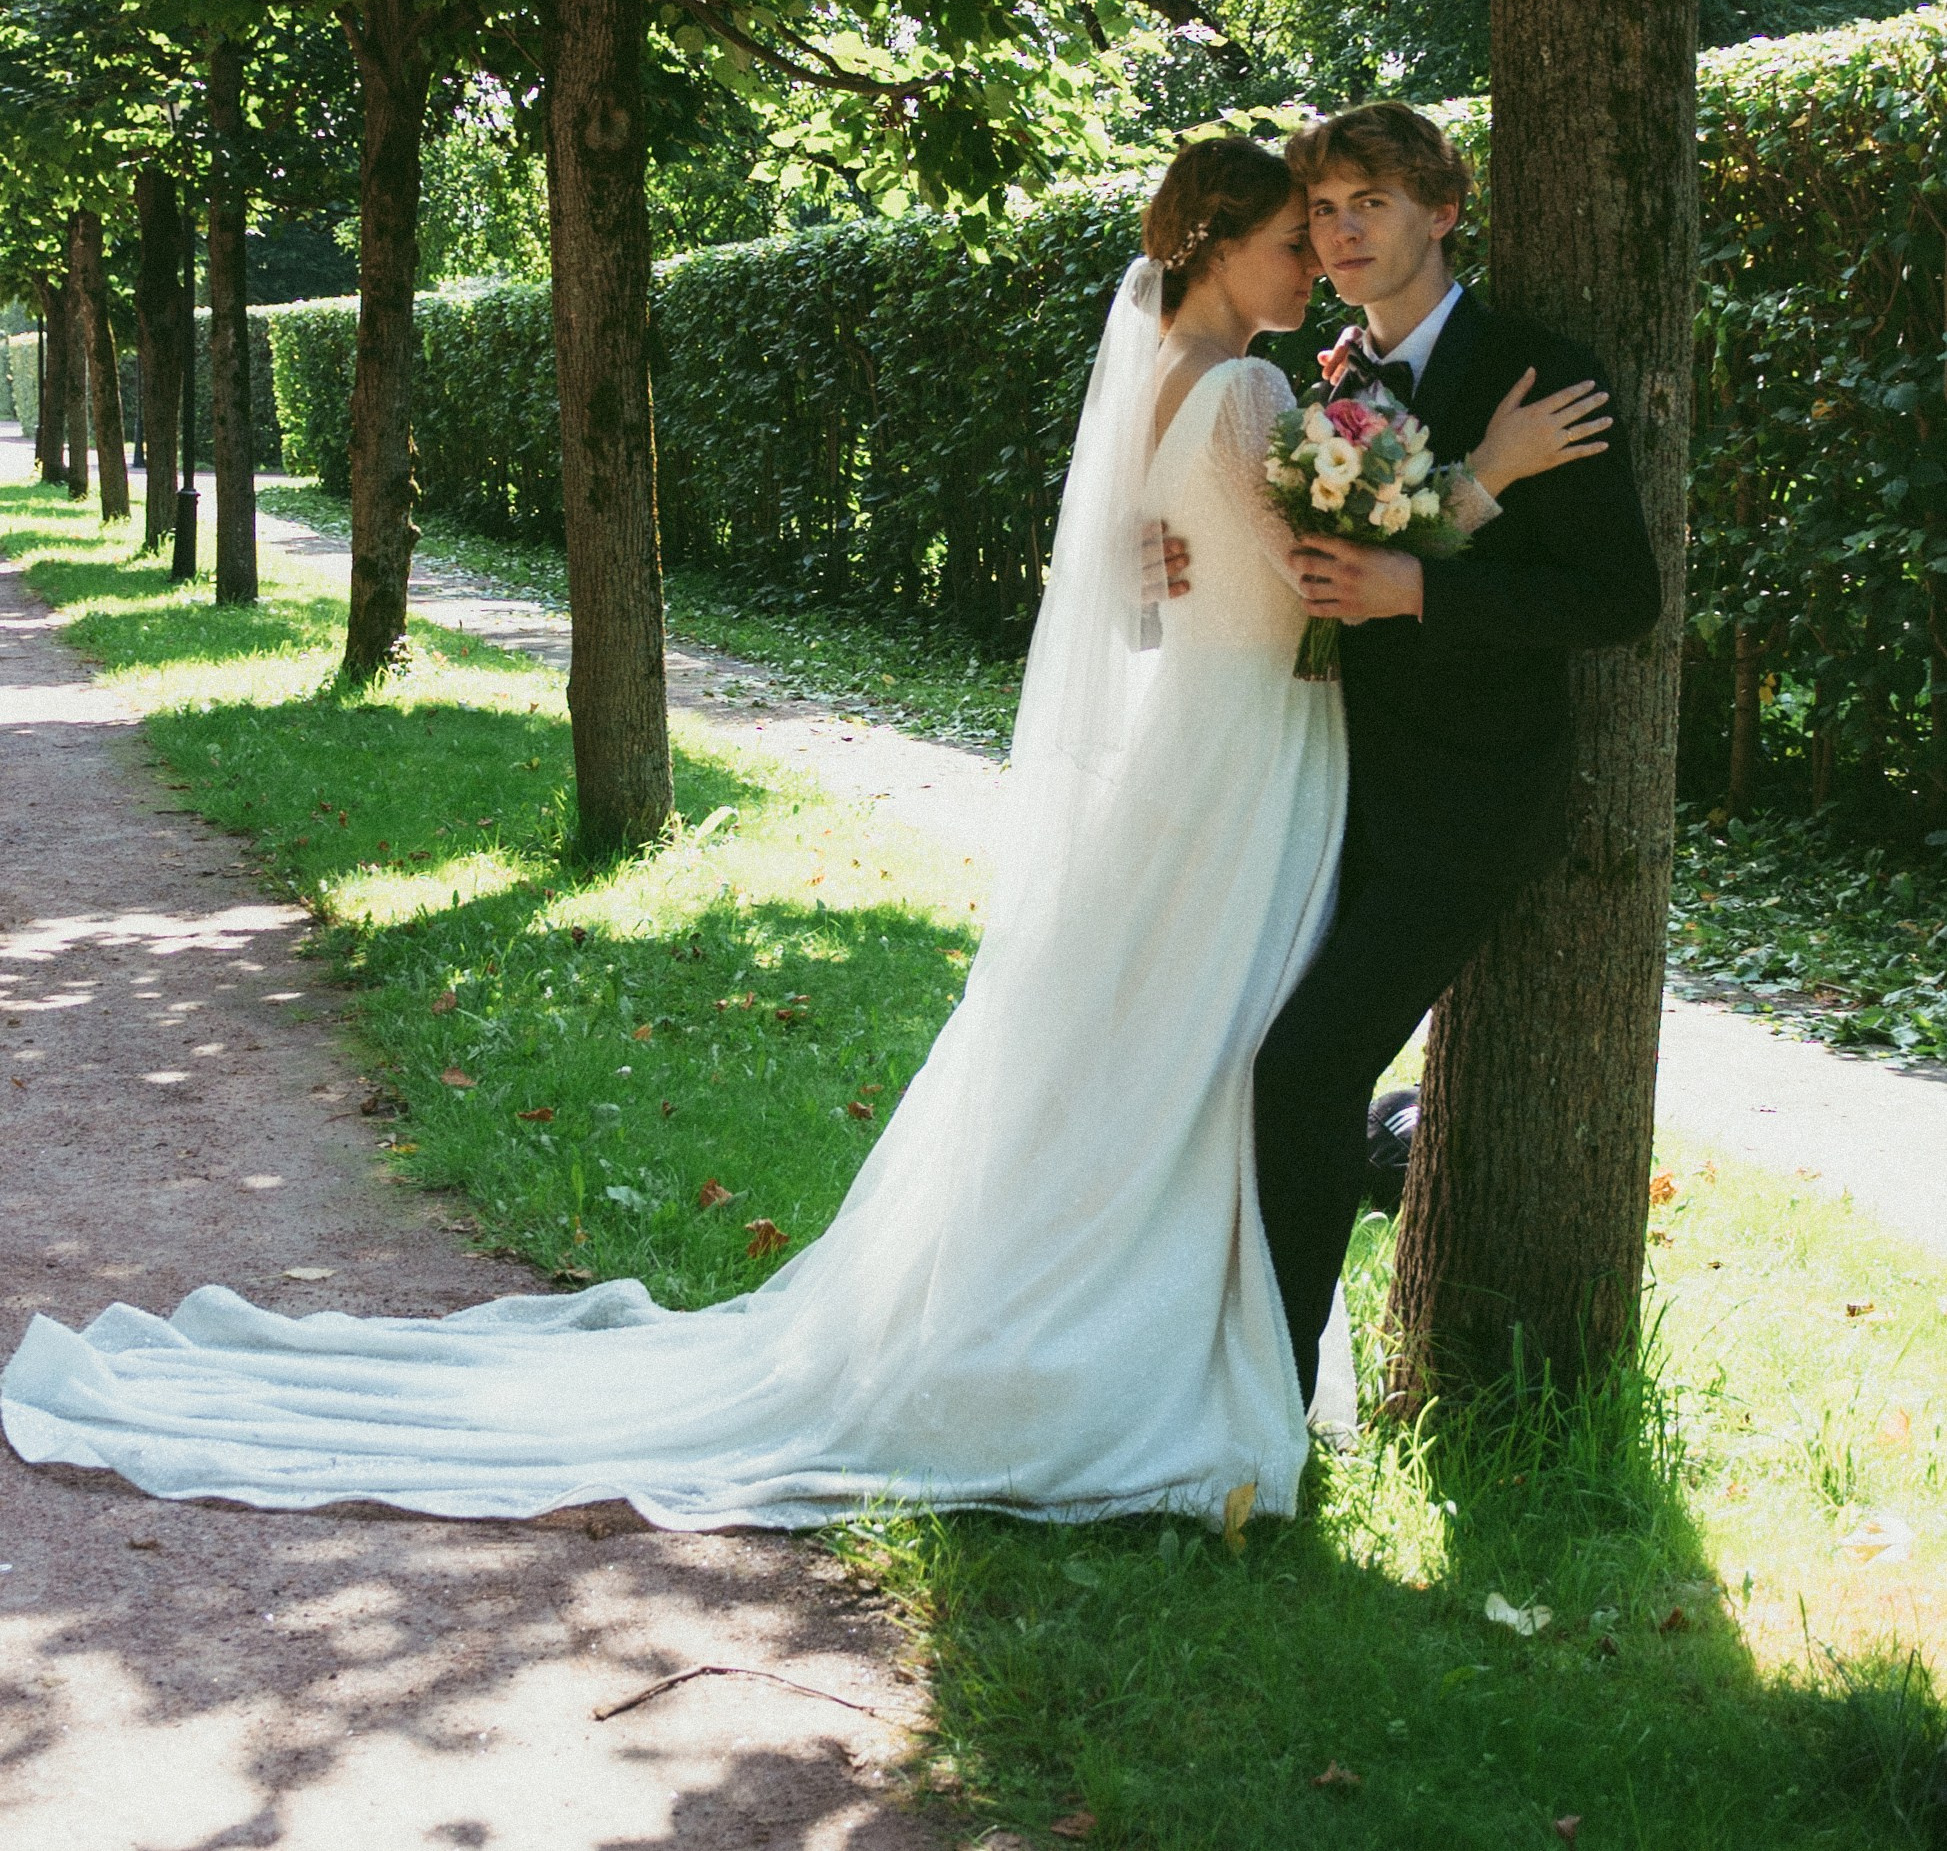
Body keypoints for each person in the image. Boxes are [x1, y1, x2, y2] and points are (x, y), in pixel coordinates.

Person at [1, 136, 1602, 1532]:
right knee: (1199, 1042)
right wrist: (1489, 476)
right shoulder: (1251, 385)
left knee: (1167, 1041)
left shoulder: (1168, 382)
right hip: (1251, 755)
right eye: (1284, 239)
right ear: (1217, 248)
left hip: (1212, 746)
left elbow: (1131, 570)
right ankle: (1160, 1344)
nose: (1310, 266)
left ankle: (1170, 1315)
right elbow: (1331, 563)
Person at [1247, 101, 1663, 1407]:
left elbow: (1616, 600)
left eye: (1371, 202)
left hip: (1470, 800)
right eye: (1323, 210)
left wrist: (1423, 592)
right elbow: (1320, 576)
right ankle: (1243, 1362)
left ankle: (1270, 1404)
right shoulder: (1328, 385)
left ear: (1442, 209)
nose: (1344, 230)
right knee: (1261, 1050)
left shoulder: (1540, 373)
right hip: (1328, 784)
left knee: (1306, 1063)